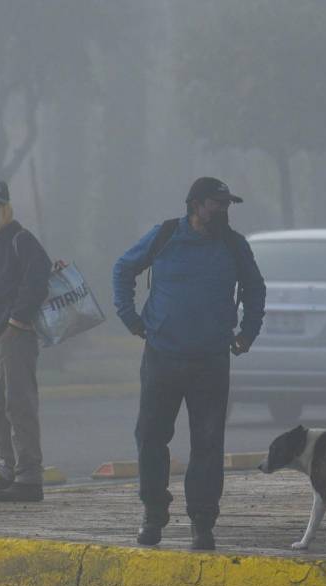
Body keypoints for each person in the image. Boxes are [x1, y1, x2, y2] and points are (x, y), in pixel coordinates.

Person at [111, 177, 266, 549]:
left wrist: (248, 332)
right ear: (196, 204)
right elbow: (123, 268)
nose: (224, 210)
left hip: (211, 360)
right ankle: (153, 513)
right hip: (162, 356)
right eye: (218, 203)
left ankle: (202, 521)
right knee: (150, 437)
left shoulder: (233, 244)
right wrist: (130, 317)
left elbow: (254, 289)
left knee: (208, 443)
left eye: (227, 204)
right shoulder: (165, 235)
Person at [0, 179, 52, 502]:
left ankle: (29, 479)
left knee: (20, 408)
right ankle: (8, 472)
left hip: (13, 338)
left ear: (6, 208)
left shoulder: (21, 239)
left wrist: (17, 319)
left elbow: (39, 275)